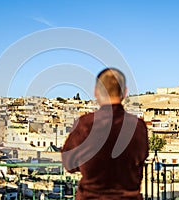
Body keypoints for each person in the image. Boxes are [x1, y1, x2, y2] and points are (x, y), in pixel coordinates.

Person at [61, 68, 149, 200]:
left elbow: (69, 163)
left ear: (96, 92)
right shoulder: (137, 127)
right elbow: (141, 157)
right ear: (124, 93)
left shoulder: (85, 124)